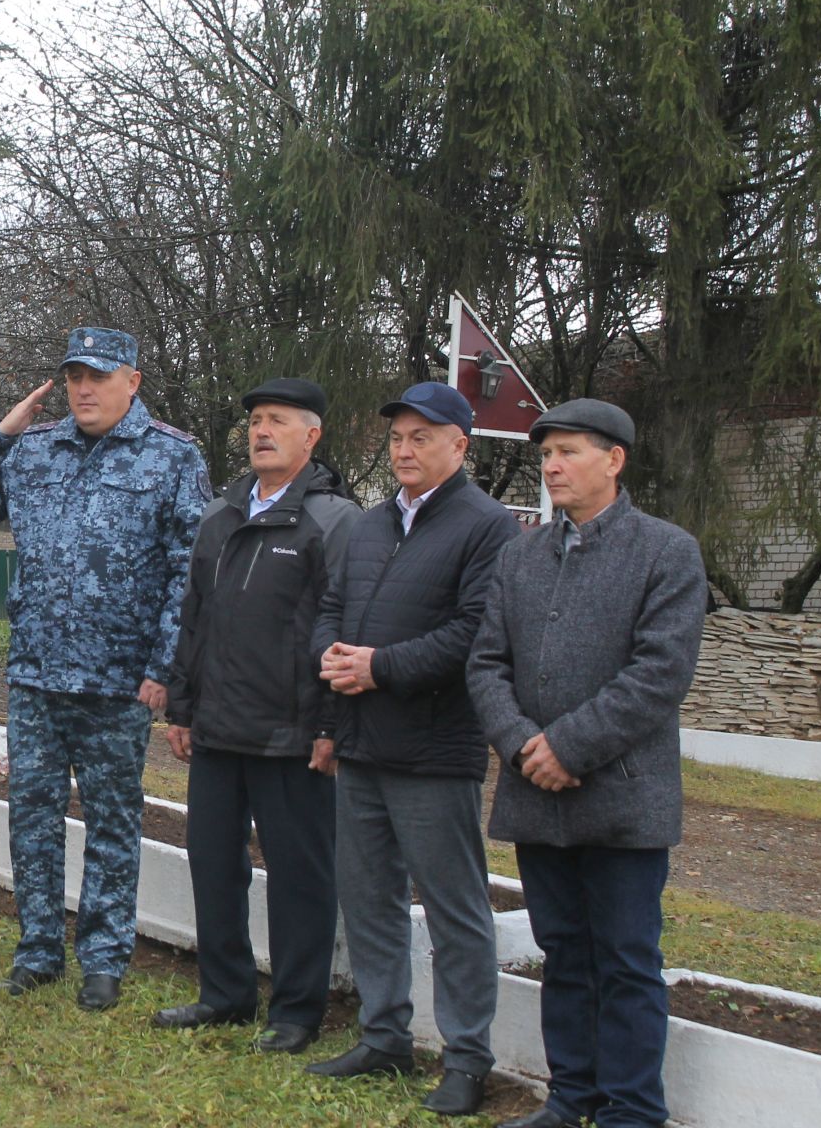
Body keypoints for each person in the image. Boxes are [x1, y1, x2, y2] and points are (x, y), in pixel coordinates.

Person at [0, 327, 210, 1011]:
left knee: (114, 823)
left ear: (133, 381)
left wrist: (165, 667)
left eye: (98, 375)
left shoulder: (173, 458)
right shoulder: (34, 451)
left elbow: (189, 570)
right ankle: (37, 950)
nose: (83, 389)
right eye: (73, 377)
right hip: (36, 674)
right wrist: (1, 432)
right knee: (30, 819)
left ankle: (103, 958)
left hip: (120, 683)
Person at [469, 399, 707, 1128]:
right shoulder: (520, 553)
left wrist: (568, 747)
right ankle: (570, 1097)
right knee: (563, 955)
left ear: (614, 460)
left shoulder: (666, 552)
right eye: (546, 454)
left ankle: (633, 1111)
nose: (552, 466)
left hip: (622, 799)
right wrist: (519, 744)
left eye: (568, 452)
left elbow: (659, 674)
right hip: (537, 794)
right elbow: (485, 664)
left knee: (627, 960)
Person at [308, 381, 520, 1115]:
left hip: (434, 750)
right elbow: (331, 607)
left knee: (456, 909)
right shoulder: (369, 526)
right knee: (368, 901)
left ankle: (467, 1058)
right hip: (362, 744)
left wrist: (379, 667)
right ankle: (383, 1035)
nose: (404, 449)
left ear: (460, 446)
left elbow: (477, 634)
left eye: (421, 437)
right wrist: (331, 660)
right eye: (397, 437)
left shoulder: (488, 527)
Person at [156, 378, 356, 1053]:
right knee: (212, 862)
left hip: (292, 735)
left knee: (300, 876)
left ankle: (297, 1011)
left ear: (312, 434)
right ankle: (226, 995)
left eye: (278, 420)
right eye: (256, 420)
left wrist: (330, 725)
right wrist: (183, 706)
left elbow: (342, 629)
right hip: (216, 729)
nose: (262, 431)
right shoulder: (221, 515)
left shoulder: (332, 521)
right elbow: (195, 619)